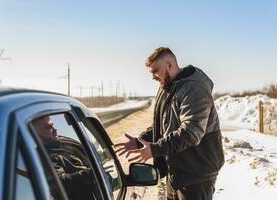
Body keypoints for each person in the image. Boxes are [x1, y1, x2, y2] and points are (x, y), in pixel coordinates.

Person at [115, 47, 225, 200]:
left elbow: (191, 132)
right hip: (177, 171)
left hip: (197, 174)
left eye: (155, 71)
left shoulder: (194, 88)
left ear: (170, 65)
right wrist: (141, 141)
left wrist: (155, 149)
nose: (153, 76)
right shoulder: (166, 87)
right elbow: (162, 125)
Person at [32, 116, 98, 200]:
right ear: (34, 134)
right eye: (48, 127)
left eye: (52, 125)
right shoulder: (43, 158)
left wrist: (105, 156)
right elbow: (61, 183)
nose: (55, 129)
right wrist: (91, 173)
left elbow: (89, 157)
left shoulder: (64, 140)